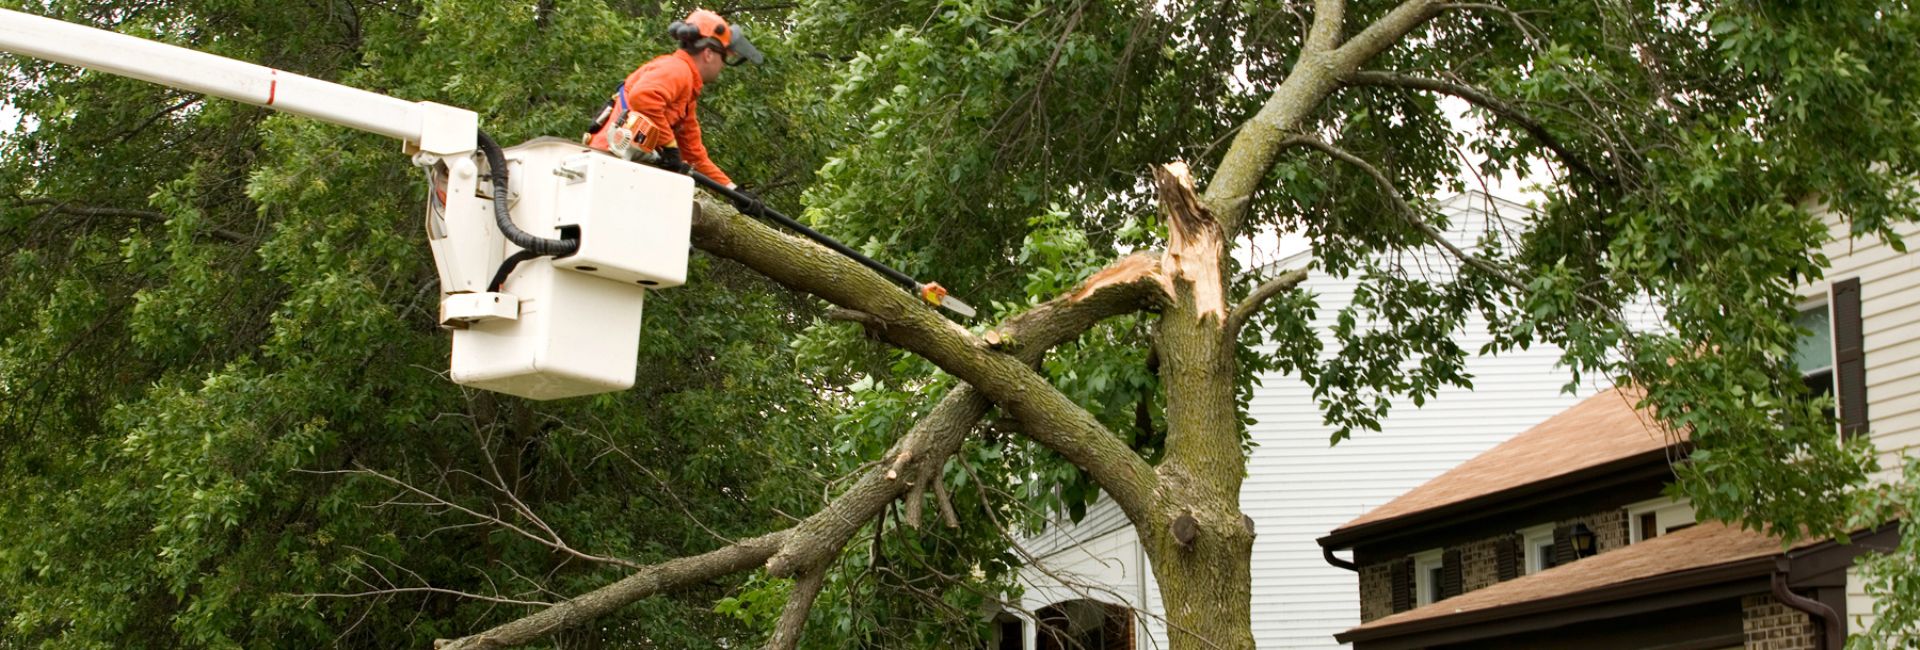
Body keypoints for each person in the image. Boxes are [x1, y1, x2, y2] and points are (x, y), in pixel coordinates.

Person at [586, 8, 762, 191]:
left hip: (621, 168)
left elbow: (694, 155)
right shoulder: (678, 69)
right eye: (723, 57)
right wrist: (670, 147)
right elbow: (643, 97)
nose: (722, 65)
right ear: (709, 54)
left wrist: (733, 190)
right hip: (608, 162)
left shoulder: (687, 95)